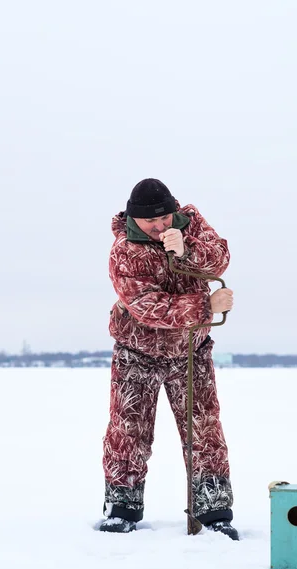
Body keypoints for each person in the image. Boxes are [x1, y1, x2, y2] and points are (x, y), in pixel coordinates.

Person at [100, 178, 238, 540]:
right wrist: (205, 306)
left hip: (191, 349)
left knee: (204, 431)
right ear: (135, 219)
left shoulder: (189, 221)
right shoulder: (124, 252)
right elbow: (147, 306)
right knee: (128, 432)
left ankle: (214, 512)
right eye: (151, 223)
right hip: (137, 353)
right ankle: (121, 509)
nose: (160, 227)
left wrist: (186, 247)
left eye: (165, 219)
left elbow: (220, 257)